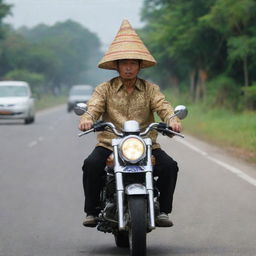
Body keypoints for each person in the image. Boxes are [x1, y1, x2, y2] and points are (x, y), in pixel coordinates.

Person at [79, 20, 182, 228]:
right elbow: (94, 106)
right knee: (91, 165)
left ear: (139, 65)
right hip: (110, 143)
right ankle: (92, 210)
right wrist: (87, 118)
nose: (128, 67)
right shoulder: (104, 89)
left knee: (170, 166)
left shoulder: (151, 89)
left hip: (145, 145)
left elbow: (163, 105)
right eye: (124, 63)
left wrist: (172, 119)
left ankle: (162, 210)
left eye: (133, 63)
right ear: (116, 66)